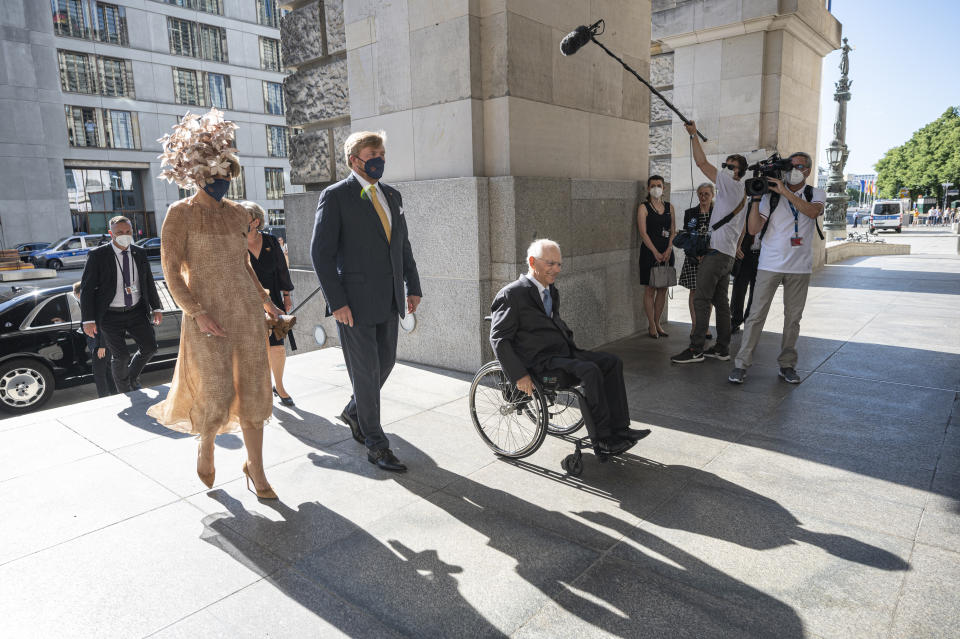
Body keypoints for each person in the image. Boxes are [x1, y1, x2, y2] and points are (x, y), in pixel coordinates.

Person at [147, 108, 284, 498]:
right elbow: (171, 272)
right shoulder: (180, 214)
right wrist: (196, 312)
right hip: (206, 316)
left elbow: (244, 266)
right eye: (216, 177)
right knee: (217, 390)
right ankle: (206, 442)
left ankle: (255, 468)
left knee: (255, 389)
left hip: (244, 313)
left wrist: (266, 302)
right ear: (198, 175)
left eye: (227, 177)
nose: (222, 183)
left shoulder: (239, 213)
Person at [311, 130, 422, 473]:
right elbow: (321, 254)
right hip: (353, 306)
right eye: (373, 153)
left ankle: (354, 412)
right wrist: (337, 301)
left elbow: (401, 245)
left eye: (383, 153)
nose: (380, 159)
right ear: (353, 159)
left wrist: (412, 285)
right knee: (367, 372)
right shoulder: (336, 196)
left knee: (385, 363)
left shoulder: (392, 194)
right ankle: (376, 444)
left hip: (389, 300)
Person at [490, 239, 650, 455]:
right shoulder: (512, 294)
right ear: (532, 262)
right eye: (550, 263)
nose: (556, 269)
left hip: (564, 354)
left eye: (559, 264)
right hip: (541, 363)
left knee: (612, 362)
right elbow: (499, 338)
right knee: (590, 371)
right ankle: (603, 439)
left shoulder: (551, 291)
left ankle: (621, 430)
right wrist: (519, 376)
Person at [728, 151, 825, 385]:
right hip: (770, 264)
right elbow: (752, 230)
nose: (794, 170)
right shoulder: (770, 195)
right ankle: (741, 364)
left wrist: (785, 192)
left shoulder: (814, 193)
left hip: (799, 267)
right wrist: (755, 199)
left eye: (800, 166)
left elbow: (812, 212)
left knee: (793, 319)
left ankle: (787, 365)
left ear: (808, 171)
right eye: (790, 166)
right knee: (755, 315)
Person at [671, 121, 748, 364]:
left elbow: (701, 163)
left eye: (730, 166)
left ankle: (696, 349)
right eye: (725, 164)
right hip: (727, 255)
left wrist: (693, 136)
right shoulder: (743, 194)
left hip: (716, 255)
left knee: (701, 299)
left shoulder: (728, 184)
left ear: (738, 172)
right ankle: (722, 348)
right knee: (721, 303)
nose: (725, 168)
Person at [79, 215, 162, 392]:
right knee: (121, 357)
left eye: (128, 231)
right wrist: (88, 320)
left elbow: (148, 281)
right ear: (111, 234)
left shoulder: (139, 252)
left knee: (150, 348)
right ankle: (124, 391)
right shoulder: (97, 255)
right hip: (109, 315)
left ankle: (130, 379)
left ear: (132, 231)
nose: (125, 235)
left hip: (136, 311)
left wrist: (156, 307)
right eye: (119, 232)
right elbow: (86, 289)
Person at [242, 200, 297, 407]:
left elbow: (282, 269)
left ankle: (279, 387)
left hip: (272, 299)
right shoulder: (235, 244)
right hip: (247, 303)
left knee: (277, 348)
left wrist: (286, 296)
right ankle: (260, 388)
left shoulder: (272, 242)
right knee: (255, 350)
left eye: (243, 218)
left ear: (255, 221)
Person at [637, 175, 675, 338]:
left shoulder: (669, 207)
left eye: (659, 185)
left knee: (663, 288)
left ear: (664, 188)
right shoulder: (643, 208)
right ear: (648, 188)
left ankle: (658, 322)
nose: (656, 188)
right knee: (650, 288)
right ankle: (651, 325)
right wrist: (655, 252)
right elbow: (643, 233)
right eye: (652, 185)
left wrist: (668, 249)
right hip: (649, 252)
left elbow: (673, 230)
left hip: (666, 251)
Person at [679, 183, 715, 340]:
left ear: (712, 195)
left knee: (708, 294)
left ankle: (705, 326)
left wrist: (707, 255)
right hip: (694, 257)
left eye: (706, 194)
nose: (703, 197)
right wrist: (696, 255)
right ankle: (695, 325)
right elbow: (687, 235)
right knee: (694, 292)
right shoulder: (690, 213)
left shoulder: (718, 213)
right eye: (700, 194)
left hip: (712, 258)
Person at [72, 282, 116, 397]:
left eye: (75, 294)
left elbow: (103, 326)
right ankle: (115, 394)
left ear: (80, 293)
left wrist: (102, 346)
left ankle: (104, 397)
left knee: (99, 374)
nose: (75, 297)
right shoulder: (92, 304)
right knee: (107, 372)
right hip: (101, 344)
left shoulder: (93, 305)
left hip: (100, 346)